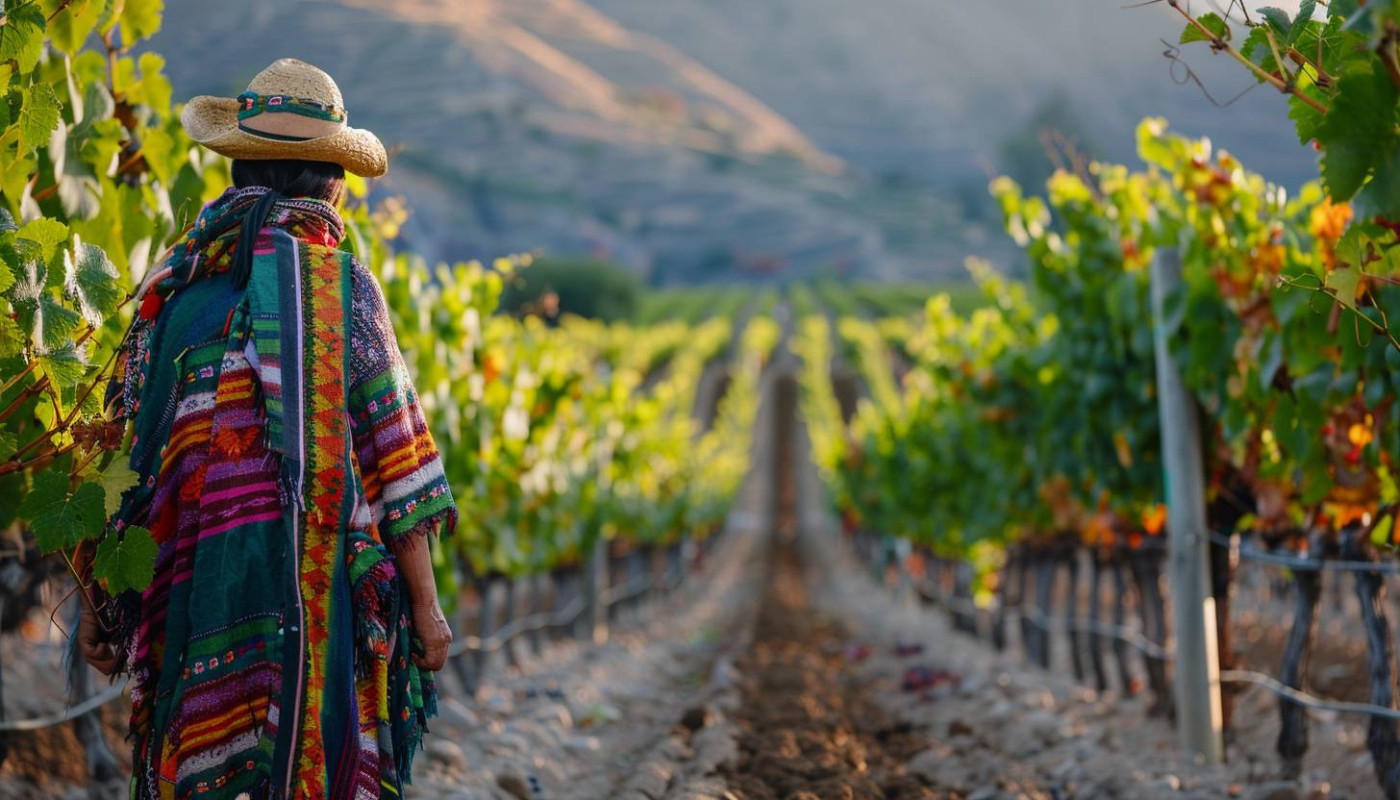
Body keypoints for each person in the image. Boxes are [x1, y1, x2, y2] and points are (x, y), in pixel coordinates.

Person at [79, 58, 457, 799]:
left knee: (196, 749)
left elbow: (121, 458)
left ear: (238, 167)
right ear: (329, 182)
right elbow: (394, 456)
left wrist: (99, 597)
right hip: (313, 598)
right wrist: (427, 606)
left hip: (194, 590)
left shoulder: (175, 287)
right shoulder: (344, 288)